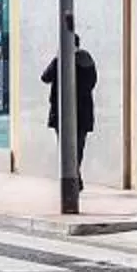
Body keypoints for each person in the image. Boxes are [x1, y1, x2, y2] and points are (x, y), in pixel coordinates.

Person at [40, 16, 95, 178]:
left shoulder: (61, 60)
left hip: (63, 113)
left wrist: (57, 57)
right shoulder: (88, 61)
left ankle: (73, 178)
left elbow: (45, 77)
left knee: (66, 148)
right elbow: (92, 83)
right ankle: (75, 176)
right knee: (78, 148)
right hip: (83, 113)